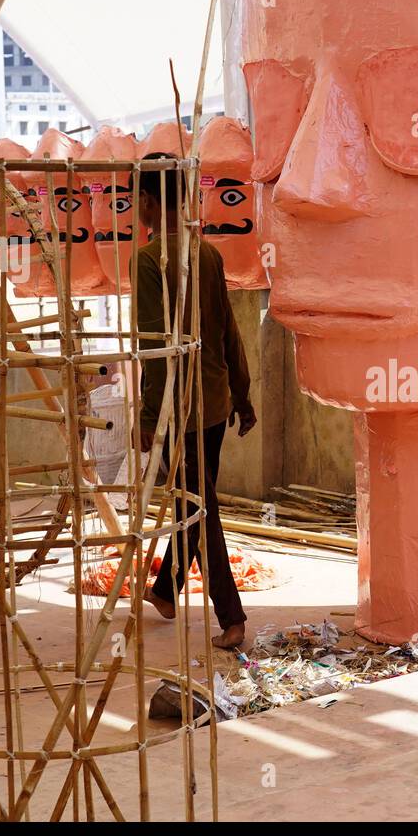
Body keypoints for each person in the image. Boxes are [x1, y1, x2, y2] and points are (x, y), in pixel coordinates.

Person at [134, 157, 255, 650]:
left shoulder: (148, 260)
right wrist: (243, 397)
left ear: (147, 202)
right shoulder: (206, 254)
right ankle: (166, 592)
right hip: (215, 403)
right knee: (194, 498)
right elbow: (229, 330)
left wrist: (148, 417)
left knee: (201, 509)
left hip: (179, 412)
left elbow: (153, 348)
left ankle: (232, 616)